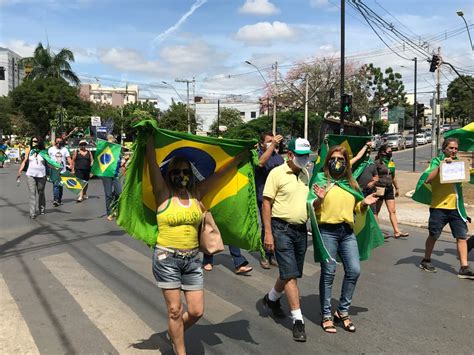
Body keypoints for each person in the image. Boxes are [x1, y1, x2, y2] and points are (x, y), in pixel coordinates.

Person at [146, 135, 245, 355]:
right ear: (168, 174)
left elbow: (220, 175)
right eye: (176, 171)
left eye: (185, 171)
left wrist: (239, 157)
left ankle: (175, 331)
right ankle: (180, 349)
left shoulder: (196, 193)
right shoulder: (162, 193)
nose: (181, 175)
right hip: (166, 258)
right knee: (174, 310)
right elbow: (152, 163)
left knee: (197, 311)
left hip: (192, 260)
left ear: (191, 174)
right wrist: (150, 139)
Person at [312, 145, 378, 334]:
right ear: (328, 161)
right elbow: (311, 206)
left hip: (347, 232)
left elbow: (357, 208)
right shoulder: (321, 179)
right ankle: (326, 315)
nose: (337, 162)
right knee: (329, 272)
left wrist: (364, 203)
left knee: (354, 271)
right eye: (334, 158)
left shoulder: (351, 183)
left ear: (347, 163)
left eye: (341, 159)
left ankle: (342, 310)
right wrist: (319, 199)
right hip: (327, 231)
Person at [261, 137, 312, 342]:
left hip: (301, 230)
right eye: (300, 156)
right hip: (281, 228)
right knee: (290, 275)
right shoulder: (277, 173)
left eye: (306, 156)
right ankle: (297, 320)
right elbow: (266, 203)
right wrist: (268, 233)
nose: (304, 159)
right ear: (289, 155)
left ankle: (271, 299)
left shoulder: (306, 174)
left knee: (290, 272)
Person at [419, 138, 474, 279]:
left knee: (461, 237)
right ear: (444, 149)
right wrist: (442, 165)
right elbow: (427, 178)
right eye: (451, 148)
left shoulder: (459, 163)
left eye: (456, 148)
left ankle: (464, 267)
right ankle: (426, 260)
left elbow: (469, 177)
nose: (454, 151)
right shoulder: (437, 161)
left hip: (457, 208)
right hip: (439, 207)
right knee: (434, 235)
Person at [254, 131, 284, 269]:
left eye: (273, 140)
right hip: (264, 197)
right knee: (267, 226)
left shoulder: (277, 157)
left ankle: (273, 255)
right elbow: (261, 163)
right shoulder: (259, 154)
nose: (272, 142)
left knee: (277, 227)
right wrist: (272, 145)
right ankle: (264, 255)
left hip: (279, 199)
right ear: (262, 143)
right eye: (268, 141)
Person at [373, 144, 409, 238]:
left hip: (389, 188)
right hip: (379, 188)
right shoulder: (377, 163)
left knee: (392, 210)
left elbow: (393, 176)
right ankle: (377, 232)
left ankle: (397, 231)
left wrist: (397, 188)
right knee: (376, 211)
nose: (390, 153)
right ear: (382, 152)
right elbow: (373, 175)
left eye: (391, 151)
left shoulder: (391, 162)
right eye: (388, 151)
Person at [17, 137, 47, 219]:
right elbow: (25, 160)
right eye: (33, 141)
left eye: (36, 141)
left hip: (41, 175)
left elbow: (49, 162)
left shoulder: (44, 151)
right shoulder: (29, 150)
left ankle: (42, 208)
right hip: (30, 174)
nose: (34, 142)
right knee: (32, 193)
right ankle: (32, 213)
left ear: (39, 142)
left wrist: (56, 168)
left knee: (41, 191)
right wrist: (19, 171)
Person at [102, 135, 122, 220]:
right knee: (108, 194)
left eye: (113, 142)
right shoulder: (104, 152)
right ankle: (109, 213)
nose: (112, 144)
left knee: (119, 192)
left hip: (116, 174)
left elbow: (120, 164)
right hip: (107, 175)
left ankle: (115, 208)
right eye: (110, 143)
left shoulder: (119, 152)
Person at [48, 137, 72, 207]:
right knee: (56, 185)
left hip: (63, 171)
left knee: (60, 186)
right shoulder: (51, 149)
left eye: (60, 142)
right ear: (55, 142)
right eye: (57, 142)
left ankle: (59, 199)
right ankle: (55, 199)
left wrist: (71, 165)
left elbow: (68, 158)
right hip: (54, 170)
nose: (59, 143)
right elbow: (48, 159)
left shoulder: (65, 149)